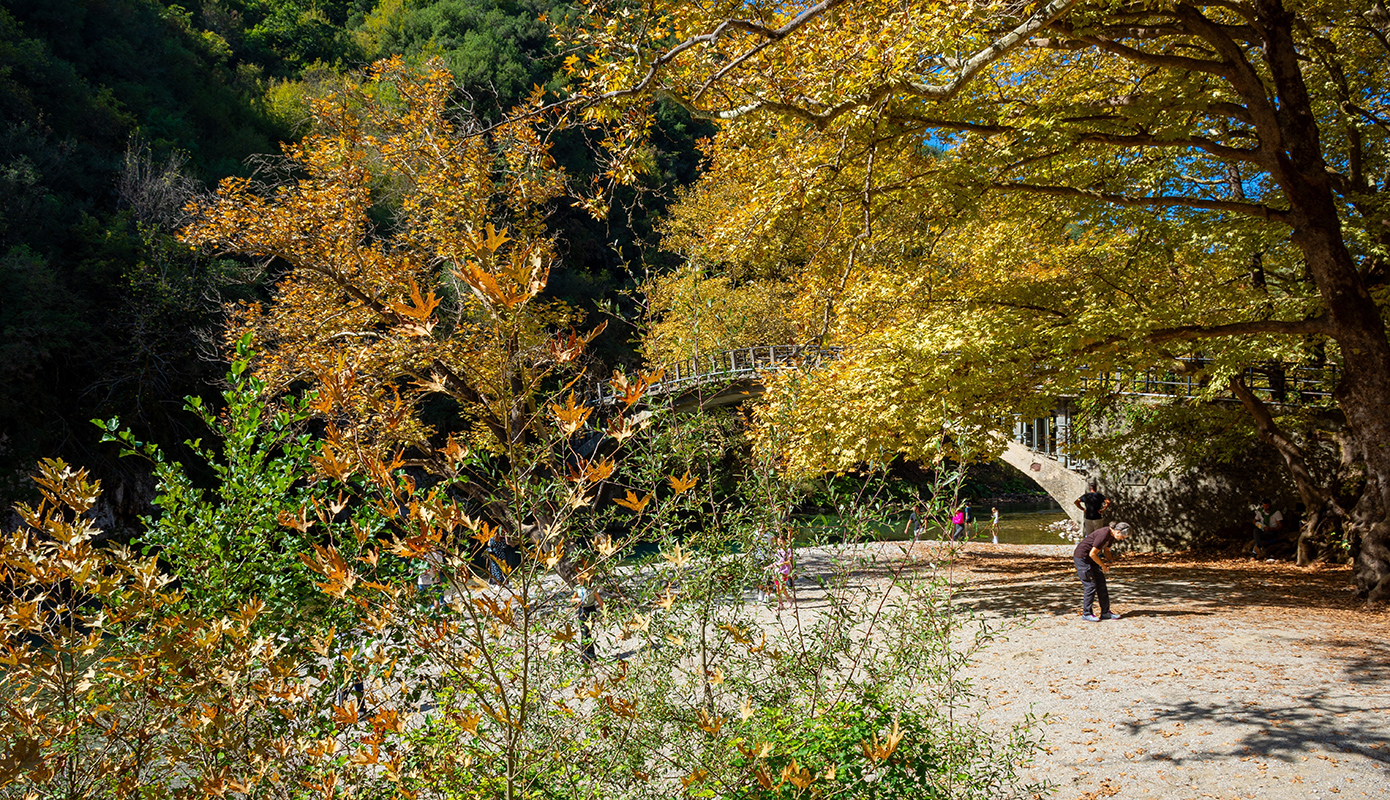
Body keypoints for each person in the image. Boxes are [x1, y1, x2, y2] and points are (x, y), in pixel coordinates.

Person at [1073, 522, 1130, 621]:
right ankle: (1086, 613)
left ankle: (1105, 612)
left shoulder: (1112, 536)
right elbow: (1093, 554)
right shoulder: (1103, 534)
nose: (1123, 539)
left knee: (1101, 583)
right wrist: (1102, 565)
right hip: (1082, 558)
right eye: (1123, 536)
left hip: (1091, 559)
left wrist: (1110, 561)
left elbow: (1106, 551)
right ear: (1118, 531)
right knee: (1090, 585)